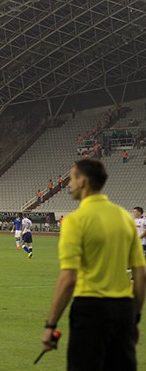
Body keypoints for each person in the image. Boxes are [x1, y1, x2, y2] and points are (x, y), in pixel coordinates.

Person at [41, 159, 146, 371]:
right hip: (123, 309)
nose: (68, 184)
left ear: (82, 181)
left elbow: (69, 278)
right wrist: (134, 318)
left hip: (91, 310)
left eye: (71, 179)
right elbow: (140, 273)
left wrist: (51, 325)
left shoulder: (75, 221)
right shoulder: (124, 218)